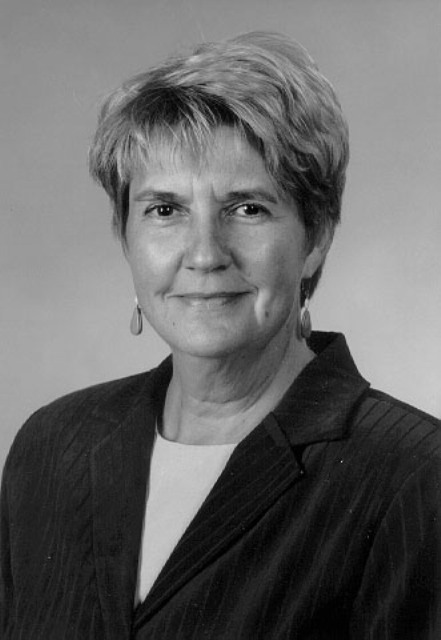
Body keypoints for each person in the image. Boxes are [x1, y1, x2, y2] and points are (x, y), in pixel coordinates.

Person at [1, 31, 440, 640]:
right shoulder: (53, 448)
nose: (205, 254)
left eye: (247, 208)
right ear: (126, 237)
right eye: (165, 210)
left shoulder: (415, 477)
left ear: (315, 238)